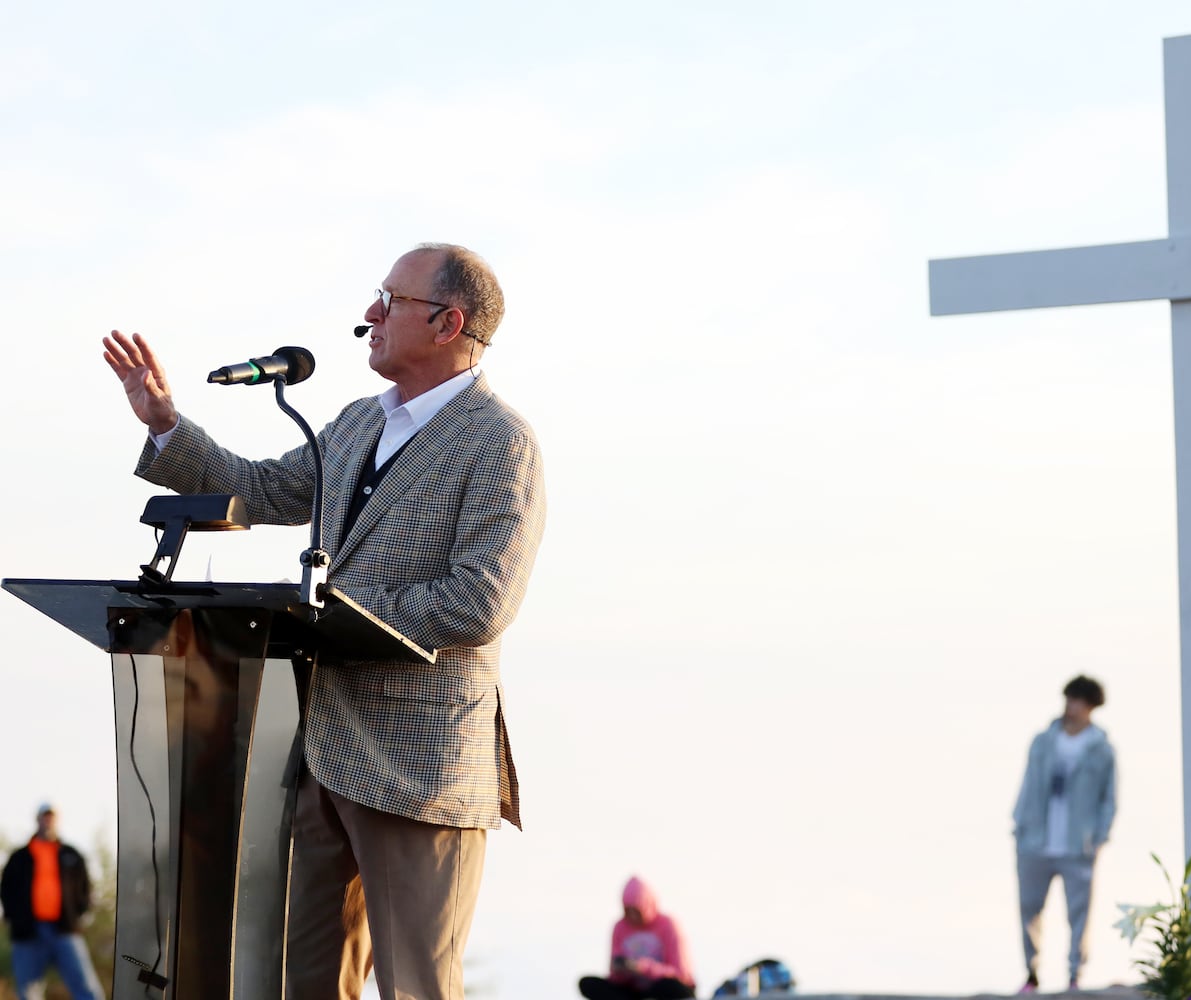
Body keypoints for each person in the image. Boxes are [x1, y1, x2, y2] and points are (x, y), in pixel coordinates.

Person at [102, 242, 547, 1000]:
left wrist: (335, 615)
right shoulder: (353, 426)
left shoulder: (500, 443)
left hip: (420, 766)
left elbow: (480, 601)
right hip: (325, 752)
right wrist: (168, 425)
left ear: (448, 322)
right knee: (303, 983)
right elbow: (258, 490)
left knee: (418, 987)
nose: (368, 316)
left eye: (389, 300)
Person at [1013, 675, 1117, 992]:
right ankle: (1031, 975)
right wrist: (1019, 824)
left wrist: (1098, 837)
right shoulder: (1044, 741)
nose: (1071, 707)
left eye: (1078, 701)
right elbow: (1027, 784)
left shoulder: (1101, 750)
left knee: (1079, 914)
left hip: (1078, 847)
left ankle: (1075, 975)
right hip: (1035, 841)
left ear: (1091, 707)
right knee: (1029, 907)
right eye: (1069, 699)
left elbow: (1108, 799)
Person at [1, 804, 105, 1000]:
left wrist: (77, 915)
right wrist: (15, 919)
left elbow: (85, 889)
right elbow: (6, 890)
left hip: (65, 931)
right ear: (37, 819)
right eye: (44, 816)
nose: (48, 820)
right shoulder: (19, 857)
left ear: (57, 820)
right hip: (28, 934)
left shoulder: (71, 855)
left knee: (87, 989)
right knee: (28, 991)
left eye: (52, 817)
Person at [579, 876, 696, 1000]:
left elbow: (681, 974)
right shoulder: (620, 927)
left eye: (636, 911)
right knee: (588, 983)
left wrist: (640, 967)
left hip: (663, 989)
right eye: (628, 911)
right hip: (634, 990)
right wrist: (622, 969)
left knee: (668, 986)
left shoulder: (668, 924)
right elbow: (615, 977)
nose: (633, 916)